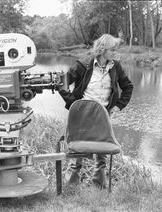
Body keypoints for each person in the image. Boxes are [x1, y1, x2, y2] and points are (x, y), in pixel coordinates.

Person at [59, 34, 133, 188]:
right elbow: (61, 84)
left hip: (103, 116)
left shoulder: (116, 67)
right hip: (81, 118)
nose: (115, 52)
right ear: (102, 49)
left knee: (101, 157)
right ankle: (70, 187)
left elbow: (128, 87)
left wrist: (118, 106)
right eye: (112, 49)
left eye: (116, 49)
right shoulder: (82, 65)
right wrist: (75, 105)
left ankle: (98, 188)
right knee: (76, 154)